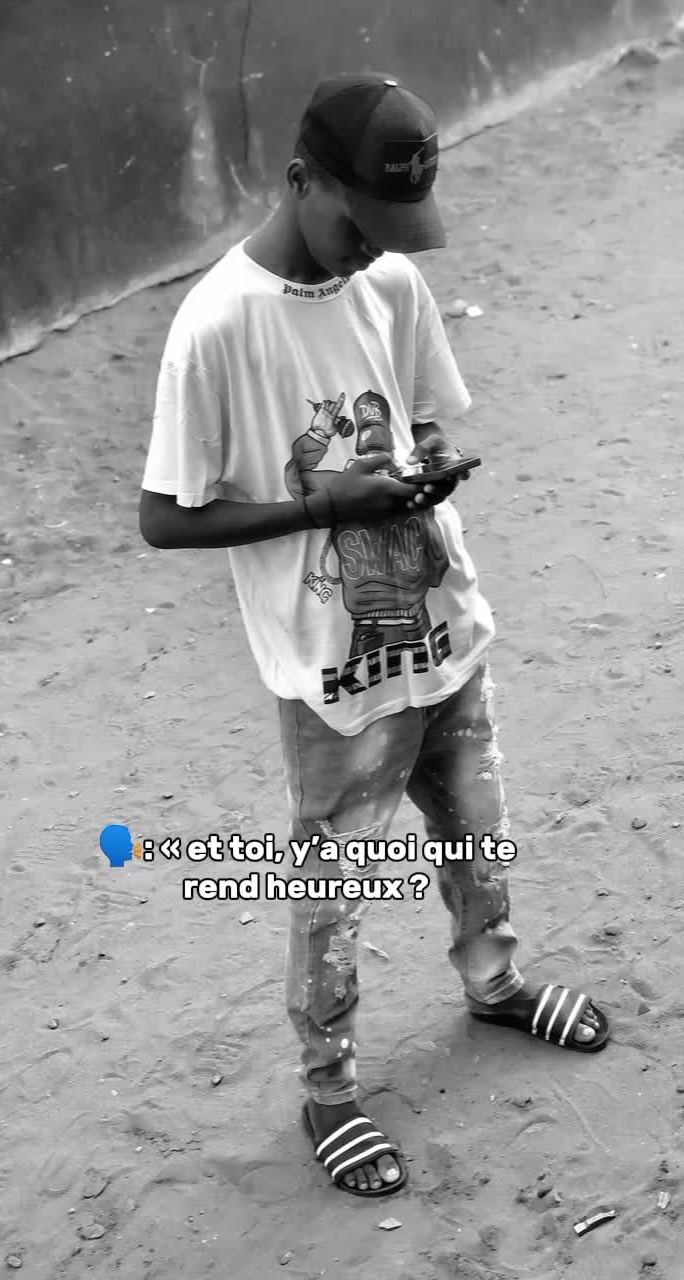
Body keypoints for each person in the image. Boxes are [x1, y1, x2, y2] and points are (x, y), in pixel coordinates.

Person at [139, 71, 610, 1199]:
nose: (372, 251)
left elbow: (420, 410)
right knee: (338, 885)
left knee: (478, 831)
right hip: (334, 676)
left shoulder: (389, 280)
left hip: (442, 629)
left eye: (394, 230)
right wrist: (323, 507)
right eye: (360, 223)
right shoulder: (217, 326)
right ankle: (330, 1088)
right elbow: (164, 516)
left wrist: (429, 458)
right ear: (301, 179)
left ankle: (495, 985)